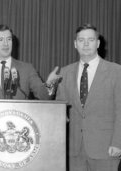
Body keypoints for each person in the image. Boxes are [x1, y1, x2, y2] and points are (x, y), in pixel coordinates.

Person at [56, 23, 121, 171]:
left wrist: (118, 142)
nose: (85, 44)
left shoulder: (116, 71)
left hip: (106, 149)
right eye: (81, 40)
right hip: (74, 150)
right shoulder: (65, 73)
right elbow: (60, 110)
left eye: (90, 40)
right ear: (75, 44)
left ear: (98, 43)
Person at [0, 24, 60, 99]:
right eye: (0, 40)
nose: (5, 43)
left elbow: (44, 96)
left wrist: (50, 84)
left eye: (9, 39)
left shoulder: (27, 69)